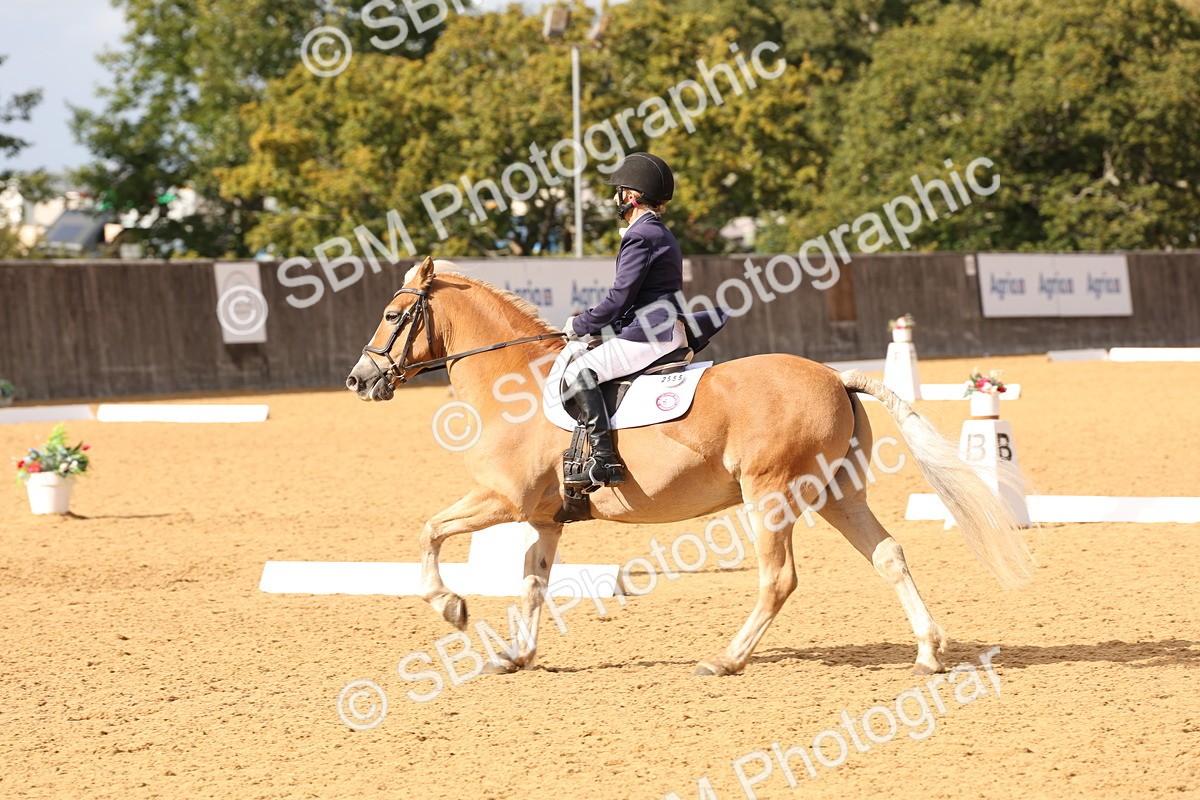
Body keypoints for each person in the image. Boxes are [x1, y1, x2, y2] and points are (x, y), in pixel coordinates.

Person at [561, 152, 690, 489]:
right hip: (660, 327)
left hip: (652, 332)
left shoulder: (640, 235)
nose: (615, 198)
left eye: (618, 191)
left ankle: (604, 460)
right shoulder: (657, 232)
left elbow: (619, 299)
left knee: (579, 371)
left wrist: (579, 325)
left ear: (631, 195)